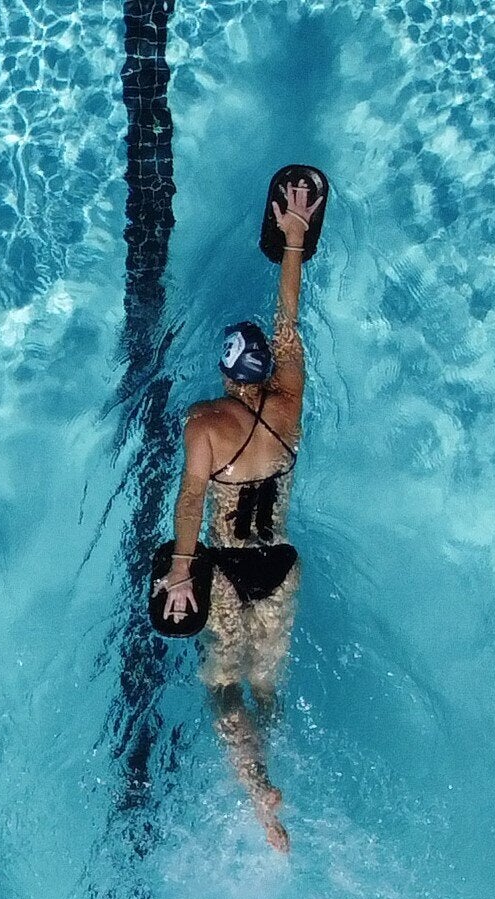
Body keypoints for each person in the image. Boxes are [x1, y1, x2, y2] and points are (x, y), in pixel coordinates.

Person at [157, 176, 323, 854]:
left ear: (228, 375)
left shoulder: (204, 424)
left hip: (224, 572)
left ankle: (257, 787)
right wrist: (292, 241)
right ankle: (275, 749)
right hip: (279, 567)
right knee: (264, 681)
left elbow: (191, 500)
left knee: (222, 688)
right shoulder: (288, 402)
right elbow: (288, 321)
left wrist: (176, 574)